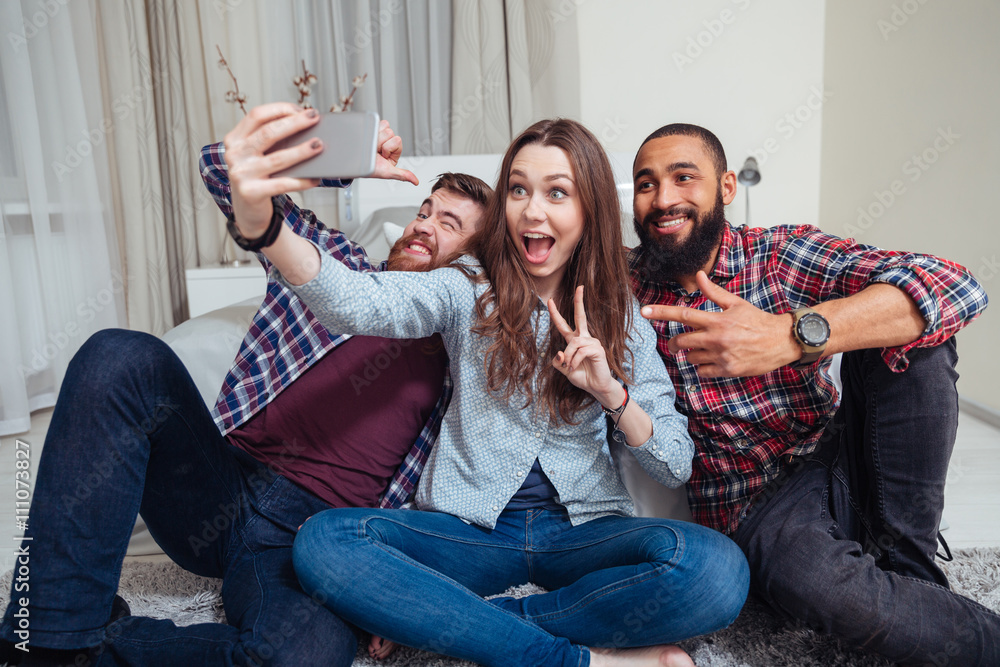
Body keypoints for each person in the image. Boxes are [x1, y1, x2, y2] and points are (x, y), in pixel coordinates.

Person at [0, 103, 490, 667]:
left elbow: (454, 496)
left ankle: (86, 647)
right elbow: (221, 166)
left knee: (301, 655)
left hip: (311, 543)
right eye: (424, 210)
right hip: (222, 488)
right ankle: (41, 642)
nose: (423, 224)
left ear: (475, 265)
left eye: (449, 224)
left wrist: (394, 593)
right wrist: (340, 153)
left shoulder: (467, 357)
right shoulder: (335, 264)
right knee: (120, 356)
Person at [265, 118, 750, 667]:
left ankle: (455, 620)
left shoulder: (623, 317)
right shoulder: (466, 286)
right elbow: (355, 300)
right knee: (323, 543)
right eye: (518, 189)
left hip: (584, 533)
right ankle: (582, 661)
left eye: (557, 193)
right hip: (468, 532)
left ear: (588, 209)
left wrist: (611, 393)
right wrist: (267, 231)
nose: (531, 210)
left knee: (717, 571)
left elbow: (676, 465)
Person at [628, 122, 997, 665]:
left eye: (684, 177)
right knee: (813, 578)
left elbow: (954, 284)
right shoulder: (622, 285)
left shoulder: (778, 255)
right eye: (646, 184)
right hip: (756, 505)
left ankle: (907, 566)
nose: (664, 199)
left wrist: (788, 335)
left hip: (840, 454)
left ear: (726, 188)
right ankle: (923, 600)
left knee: (917, 335)